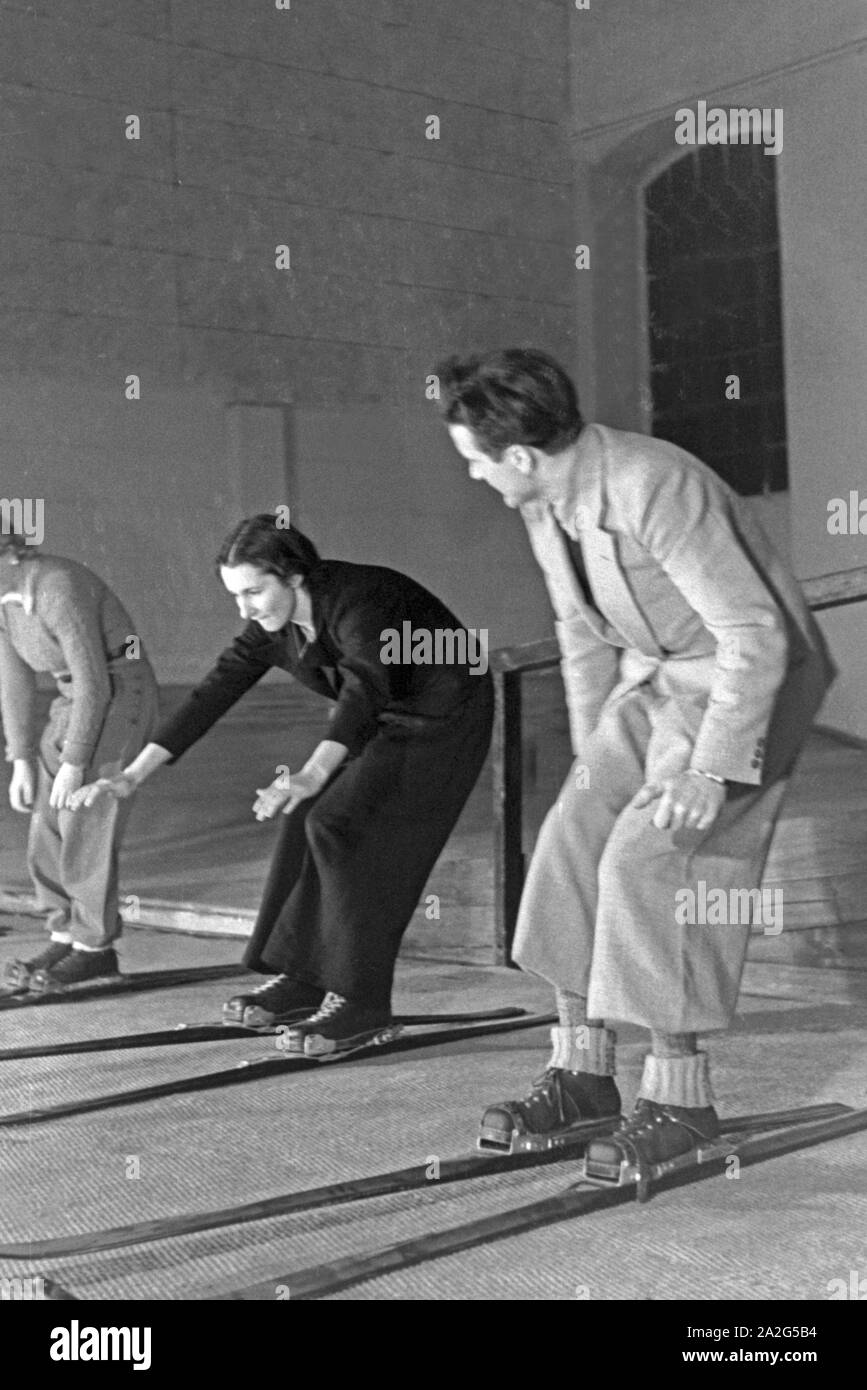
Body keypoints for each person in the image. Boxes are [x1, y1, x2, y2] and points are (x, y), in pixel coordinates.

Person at [436, 348, 835, 1174]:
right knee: (570, 844)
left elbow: (752, 634)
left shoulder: (654, 483)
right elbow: (581, 634)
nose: (474, 477)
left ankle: (681, 1098)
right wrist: (592, 766)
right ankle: (583, 1074)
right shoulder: (545, 500)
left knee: (649, 862)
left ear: (518, 455)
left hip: (740, 687)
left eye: (473, 462)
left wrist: (708, 770)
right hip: (650, 684)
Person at [72, 514, 493, 1055]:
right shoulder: (277, 625)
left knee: (338, 824)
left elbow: (365, 688)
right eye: (235, 596)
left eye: (253, 592)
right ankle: (300, 977)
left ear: (294, 577)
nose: (245, 609)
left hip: (444, 715)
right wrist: (131, 777)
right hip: (382, 717)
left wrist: (314, 773)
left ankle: (360, 1001)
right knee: (305, 818)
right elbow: (214, 691)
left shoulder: (362, 600)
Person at [0, 534, 159, 992]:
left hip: (119, 694)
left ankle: (95, 949)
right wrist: (22, 758)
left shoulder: (56, 586)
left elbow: (96, 685)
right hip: (71, 700)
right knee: (45, 821)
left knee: (84, 819)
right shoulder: (5, 600)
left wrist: (74, 762)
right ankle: (64, 931)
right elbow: (13, 681)